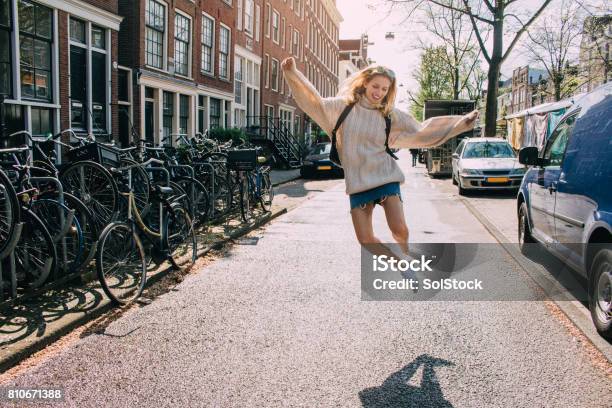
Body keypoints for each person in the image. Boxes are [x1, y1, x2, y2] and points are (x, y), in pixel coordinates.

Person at [281, 57, 478, 256]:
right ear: (364, 82)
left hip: (385, 176)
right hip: (358, 182)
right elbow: (315, 103)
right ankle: (400, 264)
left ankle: (405, 253)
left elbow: (422, 130)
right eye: (376, 86)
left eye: (385, 89)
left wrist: (461, 124)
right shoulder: (343, 108)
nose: (379, 93)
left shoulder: (389, 115)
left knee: (400, 230)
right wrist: (293, 74)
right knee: (366, 240)